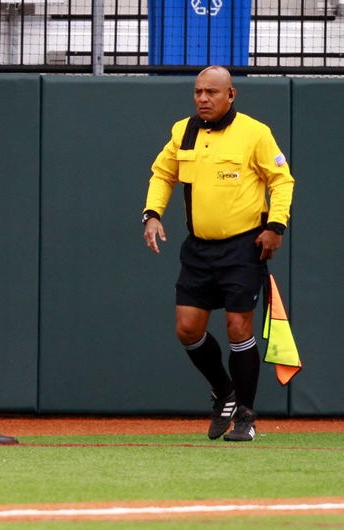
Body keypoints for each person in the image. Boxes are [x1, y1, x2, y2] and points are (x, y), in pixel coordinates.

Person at [141, 66, 295, 442]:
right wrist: (152, 214)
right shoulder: (184, 131)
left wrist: (275, 226)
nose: (203, 99)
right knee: (187, 329)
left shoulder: (255, 133)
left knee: (238, 328)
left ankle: (245, 415)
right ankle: (224, 392)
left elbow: (281, 179)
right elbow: (163, 174)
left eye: (211, 92)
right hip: (199, 248)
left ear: (231, 95)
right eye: (198, 92)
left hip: (243, 246)